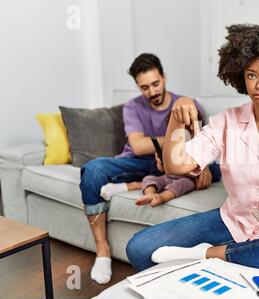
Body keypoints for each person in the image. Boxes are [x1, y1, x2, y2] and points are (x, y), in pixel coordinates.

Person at [126, 25, 259, 276]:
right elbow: (177, 166)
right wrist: (177, 115)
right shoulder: (226, 121)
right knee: (140, 248)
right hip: (234, 222)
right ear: (242, 75)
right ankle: (257, 256)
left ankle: (211, 255)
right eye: (252, 75)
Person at [80, 53, 220, 284]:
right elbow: (138, 145)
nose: (152, 91)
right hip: (140, 161)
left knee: (214, 171)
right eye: (145, 87)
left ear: (164, 77)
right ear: (137, 86)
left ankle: (130, 185)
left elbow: (202, 141)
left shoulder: (185, 104)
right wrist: (175, 138)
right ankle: (103, 251)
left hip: (178, 163)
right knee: (92, 169)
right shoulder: (132, 107)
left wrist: (199, 161)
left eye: (156, 84)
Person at [135, 112, 206, 207]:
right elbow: (161, 169)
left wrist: (180, 164)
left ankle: (162, 197)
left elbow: (195, 171)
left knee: (182, 184)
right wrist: (160, 162)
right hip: (168, 177)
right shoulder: (169, 146)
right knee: (148, 178)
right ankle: (149, 194)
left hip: (186, 179)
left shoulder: (195, 147)